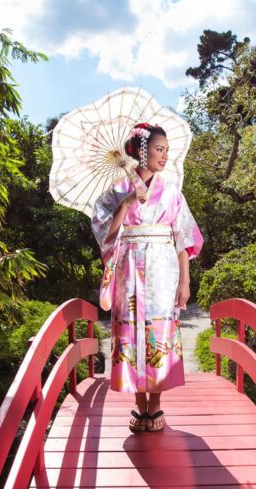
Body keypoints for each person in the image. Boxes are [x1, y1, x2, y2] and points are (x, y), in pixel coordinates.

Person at [91, 122, 204, 433]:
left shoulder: (172, 192)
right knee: (131, 333)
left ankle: (155, 406)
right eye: (159, 149)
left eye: (167, 150)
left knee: (158, 332)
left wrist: (185, 281)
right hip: (128, 271)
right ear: (142, 152)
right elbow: (106, 236)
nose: (165, 156)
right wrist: (127, 203)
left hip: (162, 271)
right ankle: (139, 405)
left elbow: (183, 237)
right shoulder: (117, 190)